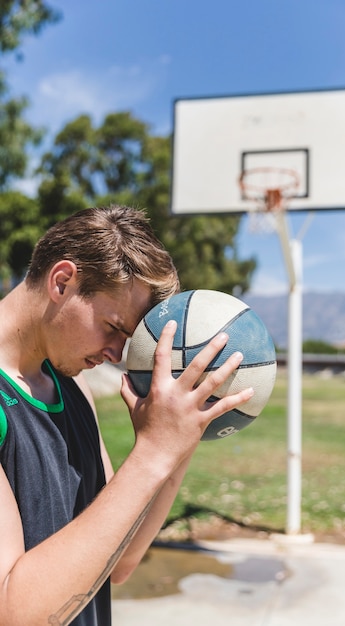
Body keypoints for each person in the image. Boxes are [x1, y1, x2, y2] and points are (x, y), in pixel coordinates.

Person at [0, 205, 254, 626]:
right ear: (62, 282)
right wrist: (153, 451)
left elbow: (120, 558)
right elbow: (12, 609)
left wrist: (180, 439)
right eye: (114, 327)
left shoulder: (71, 386)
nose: (116, 354)